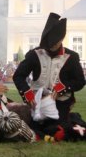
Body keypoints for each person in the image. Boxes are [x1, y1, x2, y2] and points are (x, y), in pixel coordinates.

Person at [13, 12, 86, 141]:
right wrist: (27, 93)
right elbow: (18, 76)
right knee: (31, 128)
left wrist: (63, 88)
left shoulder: (72, 57)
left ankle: (72, 119)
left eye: (53, 44)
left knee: (55, 129)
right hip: (37, 102)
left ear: (61, 40)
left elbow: (80, 81)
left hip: (60, 102)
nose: (50, 48)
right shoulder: (34, 54)